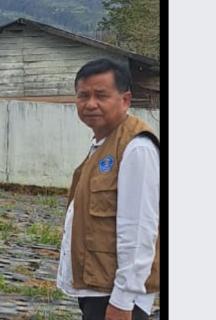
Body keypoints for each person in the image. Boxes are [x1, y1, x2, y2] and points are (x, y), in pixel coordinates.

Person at [56, 58, 159, 320]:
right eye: (83, 96)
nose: (90, 104)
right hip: (98, 289)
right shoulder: (102, 144)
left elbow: (139, 231)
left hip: (118, 298)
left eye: (101, 95)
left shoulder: (137, 148)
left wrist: (123, 300)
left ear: (125, 100)